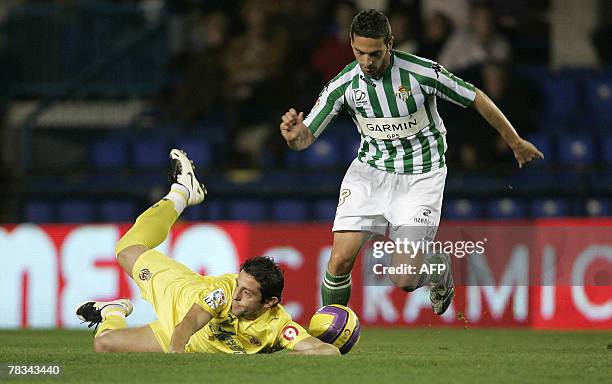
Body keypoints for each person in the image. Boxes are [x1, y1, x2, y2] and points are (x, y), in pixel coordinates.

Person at [279, 9, 543, 315]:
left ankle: (438, 270)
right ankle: (331, 335)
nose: (367, 62)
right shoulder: (344, 85)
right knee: (339, 261)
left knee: (403, 278)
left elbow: (475, 97)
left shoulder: (422, 73)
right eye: (359, 52)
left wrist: (515, 142)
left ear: (390, 43)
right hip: (370, 173)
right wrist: (293, 135)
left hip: (421, 177)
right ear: (351, 44)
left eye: (375, 53)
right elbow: (305, 138)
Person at [76, 149, 339, 355]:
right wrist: (176, 359)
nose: (236, 295)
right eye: (239, 285)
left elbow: (327, 351)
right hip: (178, 296)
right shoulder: (223, 293)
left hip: (180, 337)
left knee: (104, 345)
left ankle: (113, 311)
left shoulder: (278, 327)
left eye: (247, 293)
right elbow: (190, 321)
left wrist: (290, 355)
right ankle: (181, 192)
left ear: (269, 303)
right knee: (125, 250)